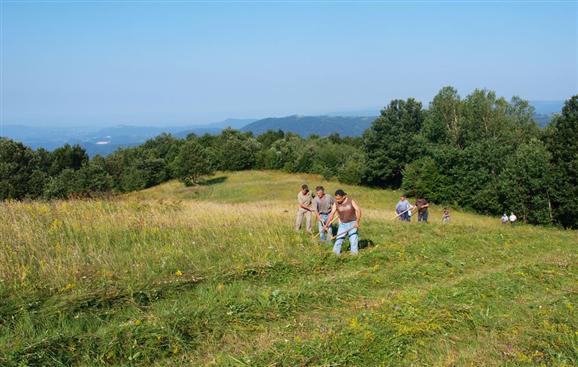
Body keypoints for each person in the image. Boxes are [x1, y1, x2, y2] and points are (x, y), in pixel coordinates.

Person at [324, 189, 361, 255]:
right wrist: (326, 224)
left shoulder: (350, 201)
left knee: (353, 240)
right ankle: (335, 254)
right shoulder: (336, 203)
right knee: (339, 239)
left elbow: (358, 210)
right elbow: (332, 214)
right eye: (336, 198)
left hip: (352, 223)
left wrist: (357, 222)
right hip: (343, 224)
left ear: (343, 197)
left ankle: (354, 256)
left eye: (339, 199)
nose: (337, 200)